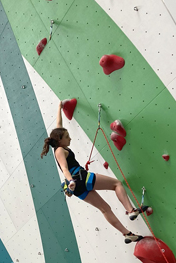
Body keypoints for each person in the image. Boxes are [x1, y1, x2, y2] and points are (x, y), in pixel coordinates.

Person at [40, 101, 150, 244]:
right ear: (60, 140)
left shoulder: (58, 143)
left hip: (77, 189)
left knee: (105, 209)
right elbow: (65, 168)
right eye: (67, 137)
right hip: (79, 179)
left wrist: (59, 108)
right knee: (116, 184)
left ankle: (127, 234)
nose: (70, 138)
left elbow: (58, 125)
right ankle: (131, 210)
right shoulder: (60, 150)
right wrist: (71, 181)